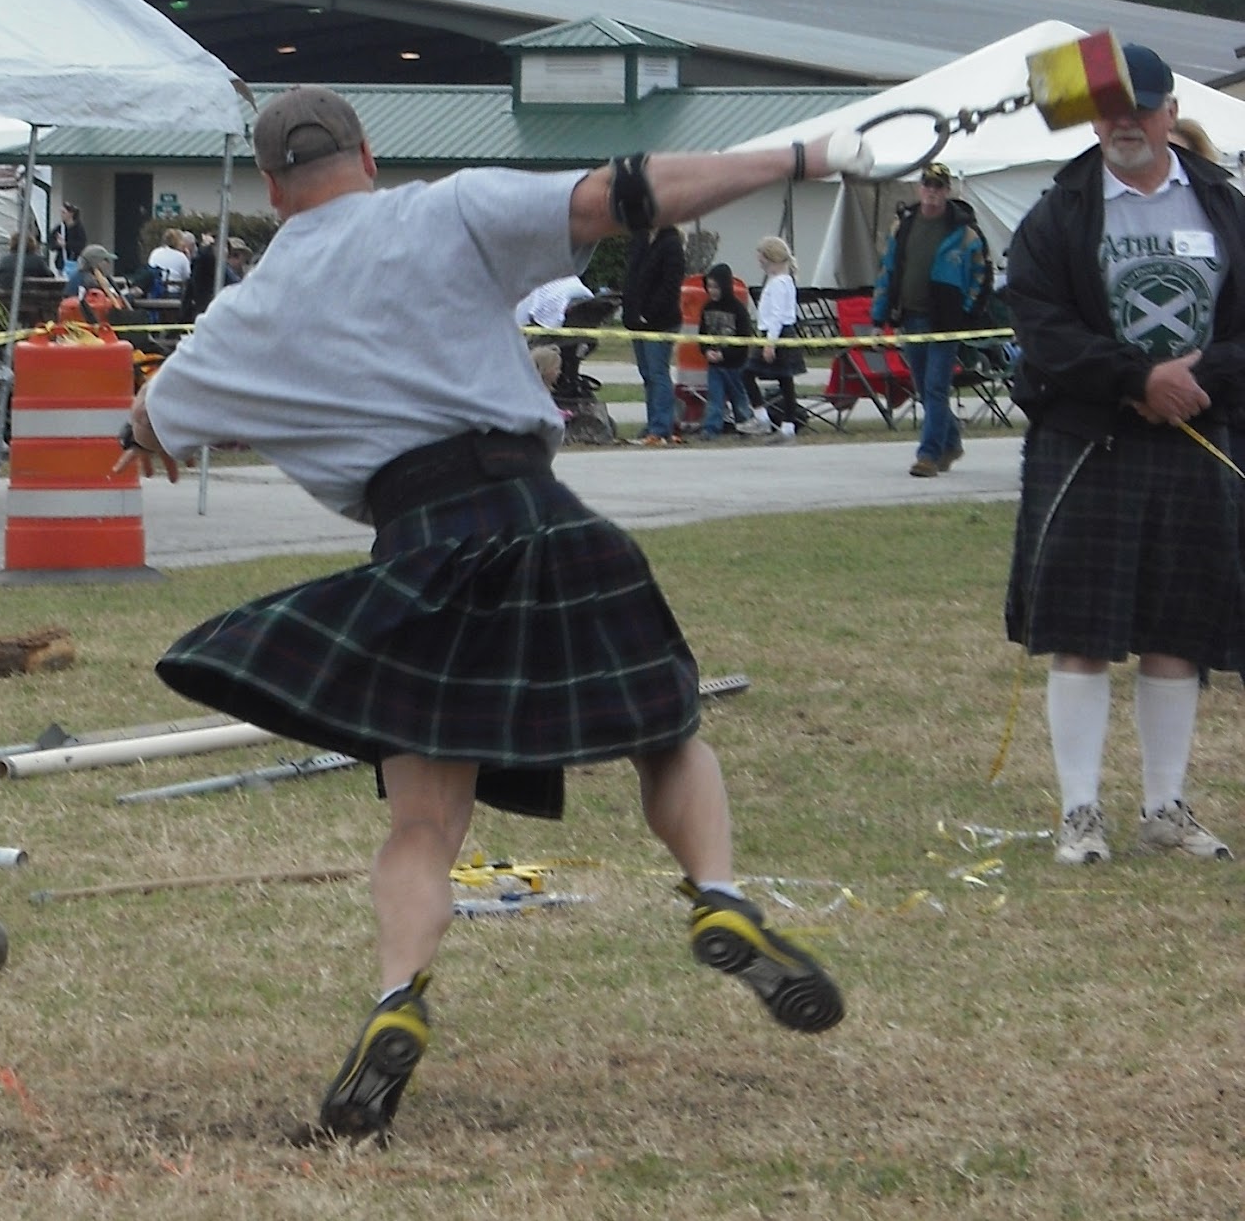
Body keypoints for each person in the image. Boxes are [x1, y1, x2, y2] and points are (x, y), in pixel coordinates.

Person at [118, 85, 868, 1141]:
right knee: (666, 730)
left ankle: (398, 995)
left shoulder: (248, 310)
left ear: (275, 191)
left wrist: (142, 428)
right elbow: (630, 193)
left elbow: (154, 417)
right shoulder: (447, 208)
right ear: (367, 154)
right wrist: (798, 156)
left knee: (424, 821)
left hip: (418, 550)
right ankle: (718, 894)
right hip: (540, 513)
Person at [1003, 42, 1245, 866]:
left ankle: (1165, 809)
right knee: (1082, 629)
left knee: (1181, 628)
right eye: (1109, 108)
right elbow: (1039, 323)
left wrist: (1197, 380)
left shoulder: (1222, 204)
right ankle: (1080, 814)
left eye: (1140, 107)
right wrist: (1136, 378)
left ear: (1171, 113)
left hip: (1196, 435)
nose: (1124, 122)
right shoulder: (1060, 211)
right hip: (1089, 439)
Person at [869, 162, 990, 476]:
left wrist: (967, 311)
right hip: (911, 319)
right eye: (928, 185)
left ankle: (928, 455)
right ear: (919, 188)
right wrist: (879, 318)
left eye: (939, 186)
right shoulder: (903, 226)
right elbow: (887, 272)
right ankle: (951, 442)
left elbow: (981, 275)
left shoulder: (965, 232)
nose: (932, 192)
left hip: (945, 324)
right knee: (924, 389)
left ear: (947, 191)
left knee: (936, 388)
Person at [621, 224, 686, 446]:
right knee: (647, 374)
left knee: (658, 373)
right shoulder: (640, 239)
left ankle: (661, 427)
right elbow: (632, 278)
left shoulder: (671, 244)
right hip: (637, 321)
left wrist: (649, 313)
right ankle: (652, 424)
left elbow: (671, 285)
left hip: (661, 321)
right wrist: (631, 311)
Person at [745, 236, 804, 440]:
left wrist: (770, 343)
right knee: (785, 381)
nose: (760, 263)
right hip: (776, 333)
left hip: (777, 333)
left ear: (771, 257)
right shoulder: (782, 280)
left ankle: (762, 418)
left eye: (761, 258)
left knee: (748, 373)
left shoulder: (779, 283)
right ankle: (787, 426)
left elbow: (777, 315)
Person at [697, 262, 755, 437]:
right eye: (709, 287)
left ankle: (746, 424)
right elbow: (702, 335)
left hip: (735, 365)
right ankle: (711, 428)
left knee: (739, 397)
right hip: (714, 364)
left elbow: (744, 340)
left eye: (716, 287)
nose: (712, 291)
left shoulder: (738, 309)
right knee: (715, 397)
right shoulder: (707, 308)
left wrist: (724, 354)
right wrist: (706, 351)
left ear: (725, 285)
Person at [145, 228, 193, 296]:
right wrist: (188, 258)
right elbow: (187, 277)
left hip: (154, 291)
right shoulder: (181, 257)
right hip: (174, 292)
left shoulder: (155, 252)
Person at [48, 203, 87, 279]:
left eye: (64, 212)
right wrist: (57, 244)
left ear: (71, 214)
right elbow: (51, 243)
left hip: (75, 262)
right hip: (61, 263)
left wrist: (66, 244)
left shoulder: (79, 229)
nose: (61, 215)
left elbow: (81, 246)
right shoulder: (59, 228)